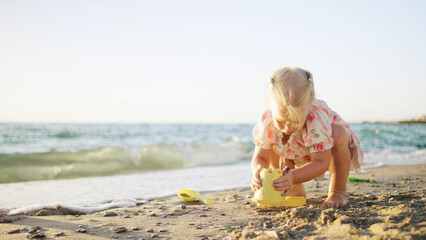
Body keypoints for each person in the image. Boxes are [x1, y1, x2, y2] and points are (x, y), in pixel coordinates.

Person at [250, 67, 363, 208]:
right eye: (281, 121)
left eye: (295, 121)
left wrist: (294, 176)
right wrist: (258, 171)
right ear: (269, 102)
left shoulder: (316, 119)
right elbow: (260, 157)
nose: (288, 127)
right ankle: (294, 189)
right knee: (272, 140)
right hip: (294, 150)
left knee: (339, 134)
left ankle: (338, 191)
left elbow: (321, 163)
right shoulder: (267, 121)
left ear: (310, 103)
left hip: (327, 152)